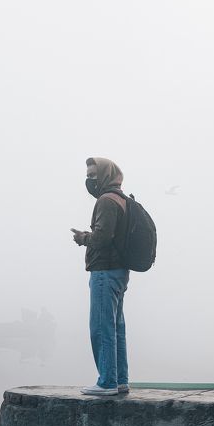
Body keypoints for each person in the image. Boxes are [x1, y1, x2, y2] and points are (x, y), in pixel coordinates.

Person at [71, 157, 130, 396]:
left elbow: (102, 239)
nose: (89, 179)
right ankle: (120, 380)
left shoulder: (106, 201)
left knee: (101, 327)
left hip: (104, 271)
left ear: (106, 174)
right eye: (88, 174)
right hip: (119, 271)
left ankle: (106, 382)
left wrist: (83, 238)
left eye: (94, 174)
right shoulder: (121, 199)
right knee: (116, 328)